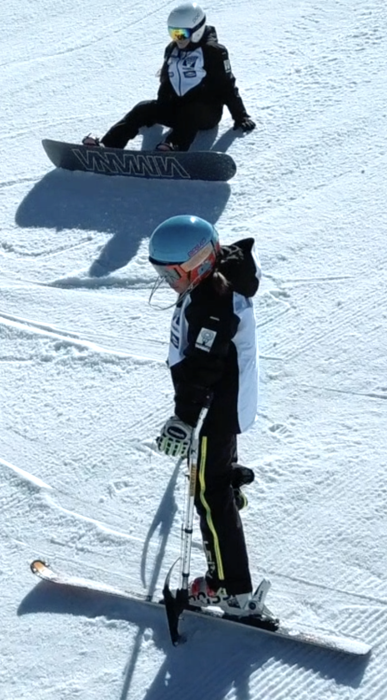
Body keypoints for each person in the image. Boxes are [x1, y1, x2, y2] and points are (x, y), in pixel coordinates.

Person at [147, 214, 268, 618]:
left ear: (198, 263)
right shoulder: (211, 283)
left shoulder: (214, 304)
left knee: (207, 495)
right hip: (221, 403)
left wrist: (184, 418)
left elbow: (204, 366)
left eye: (172, 274)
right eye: (162, 275)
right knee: (214, 479)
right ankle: (225, 487)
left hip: (214, 407)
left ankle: (229, 589)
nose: (168, 282)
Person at [83, 3, 256, 152]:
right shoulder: (172, 49)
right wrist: (160, 108)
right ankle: (107, 146)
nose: (177, 39)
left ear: (197, 30)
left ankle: (173, 147)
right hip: (177, 108)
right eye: (173, 33)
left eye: (182, 34)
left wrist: (240, 116)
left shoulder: (214, 52)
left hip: (206, 113)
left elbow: (227, 86)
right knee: (143, 108)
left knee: (192, 111)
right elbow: (166, 80)